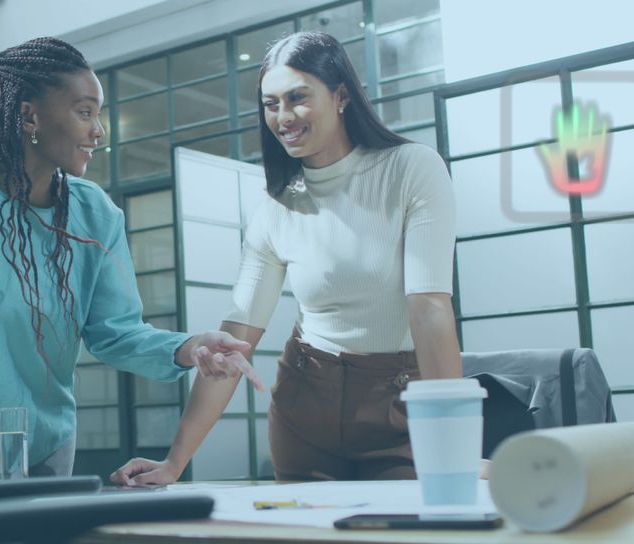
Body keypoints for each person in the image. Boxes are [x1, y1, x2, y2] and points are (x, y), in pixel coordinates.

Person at [111, 31, 461, 485]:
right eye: (270, 103)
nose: (283, 116)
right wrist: (175, 462)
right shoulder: (275, 208)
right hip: (305, 409)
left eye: (298, 98)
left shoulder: (411, 168)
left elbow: (429, 308)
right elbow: (235, 340)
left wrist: (452, 438)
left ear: (340, 96)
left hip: (399, 406)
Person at [0, 37, 261, 481]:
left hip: (51, 444)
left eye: (98, 113)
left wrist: (189, 347)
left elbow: (115, 332)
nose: (99, 131)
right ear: (29, 115)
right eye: (85, 111)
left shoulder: (96, 212)